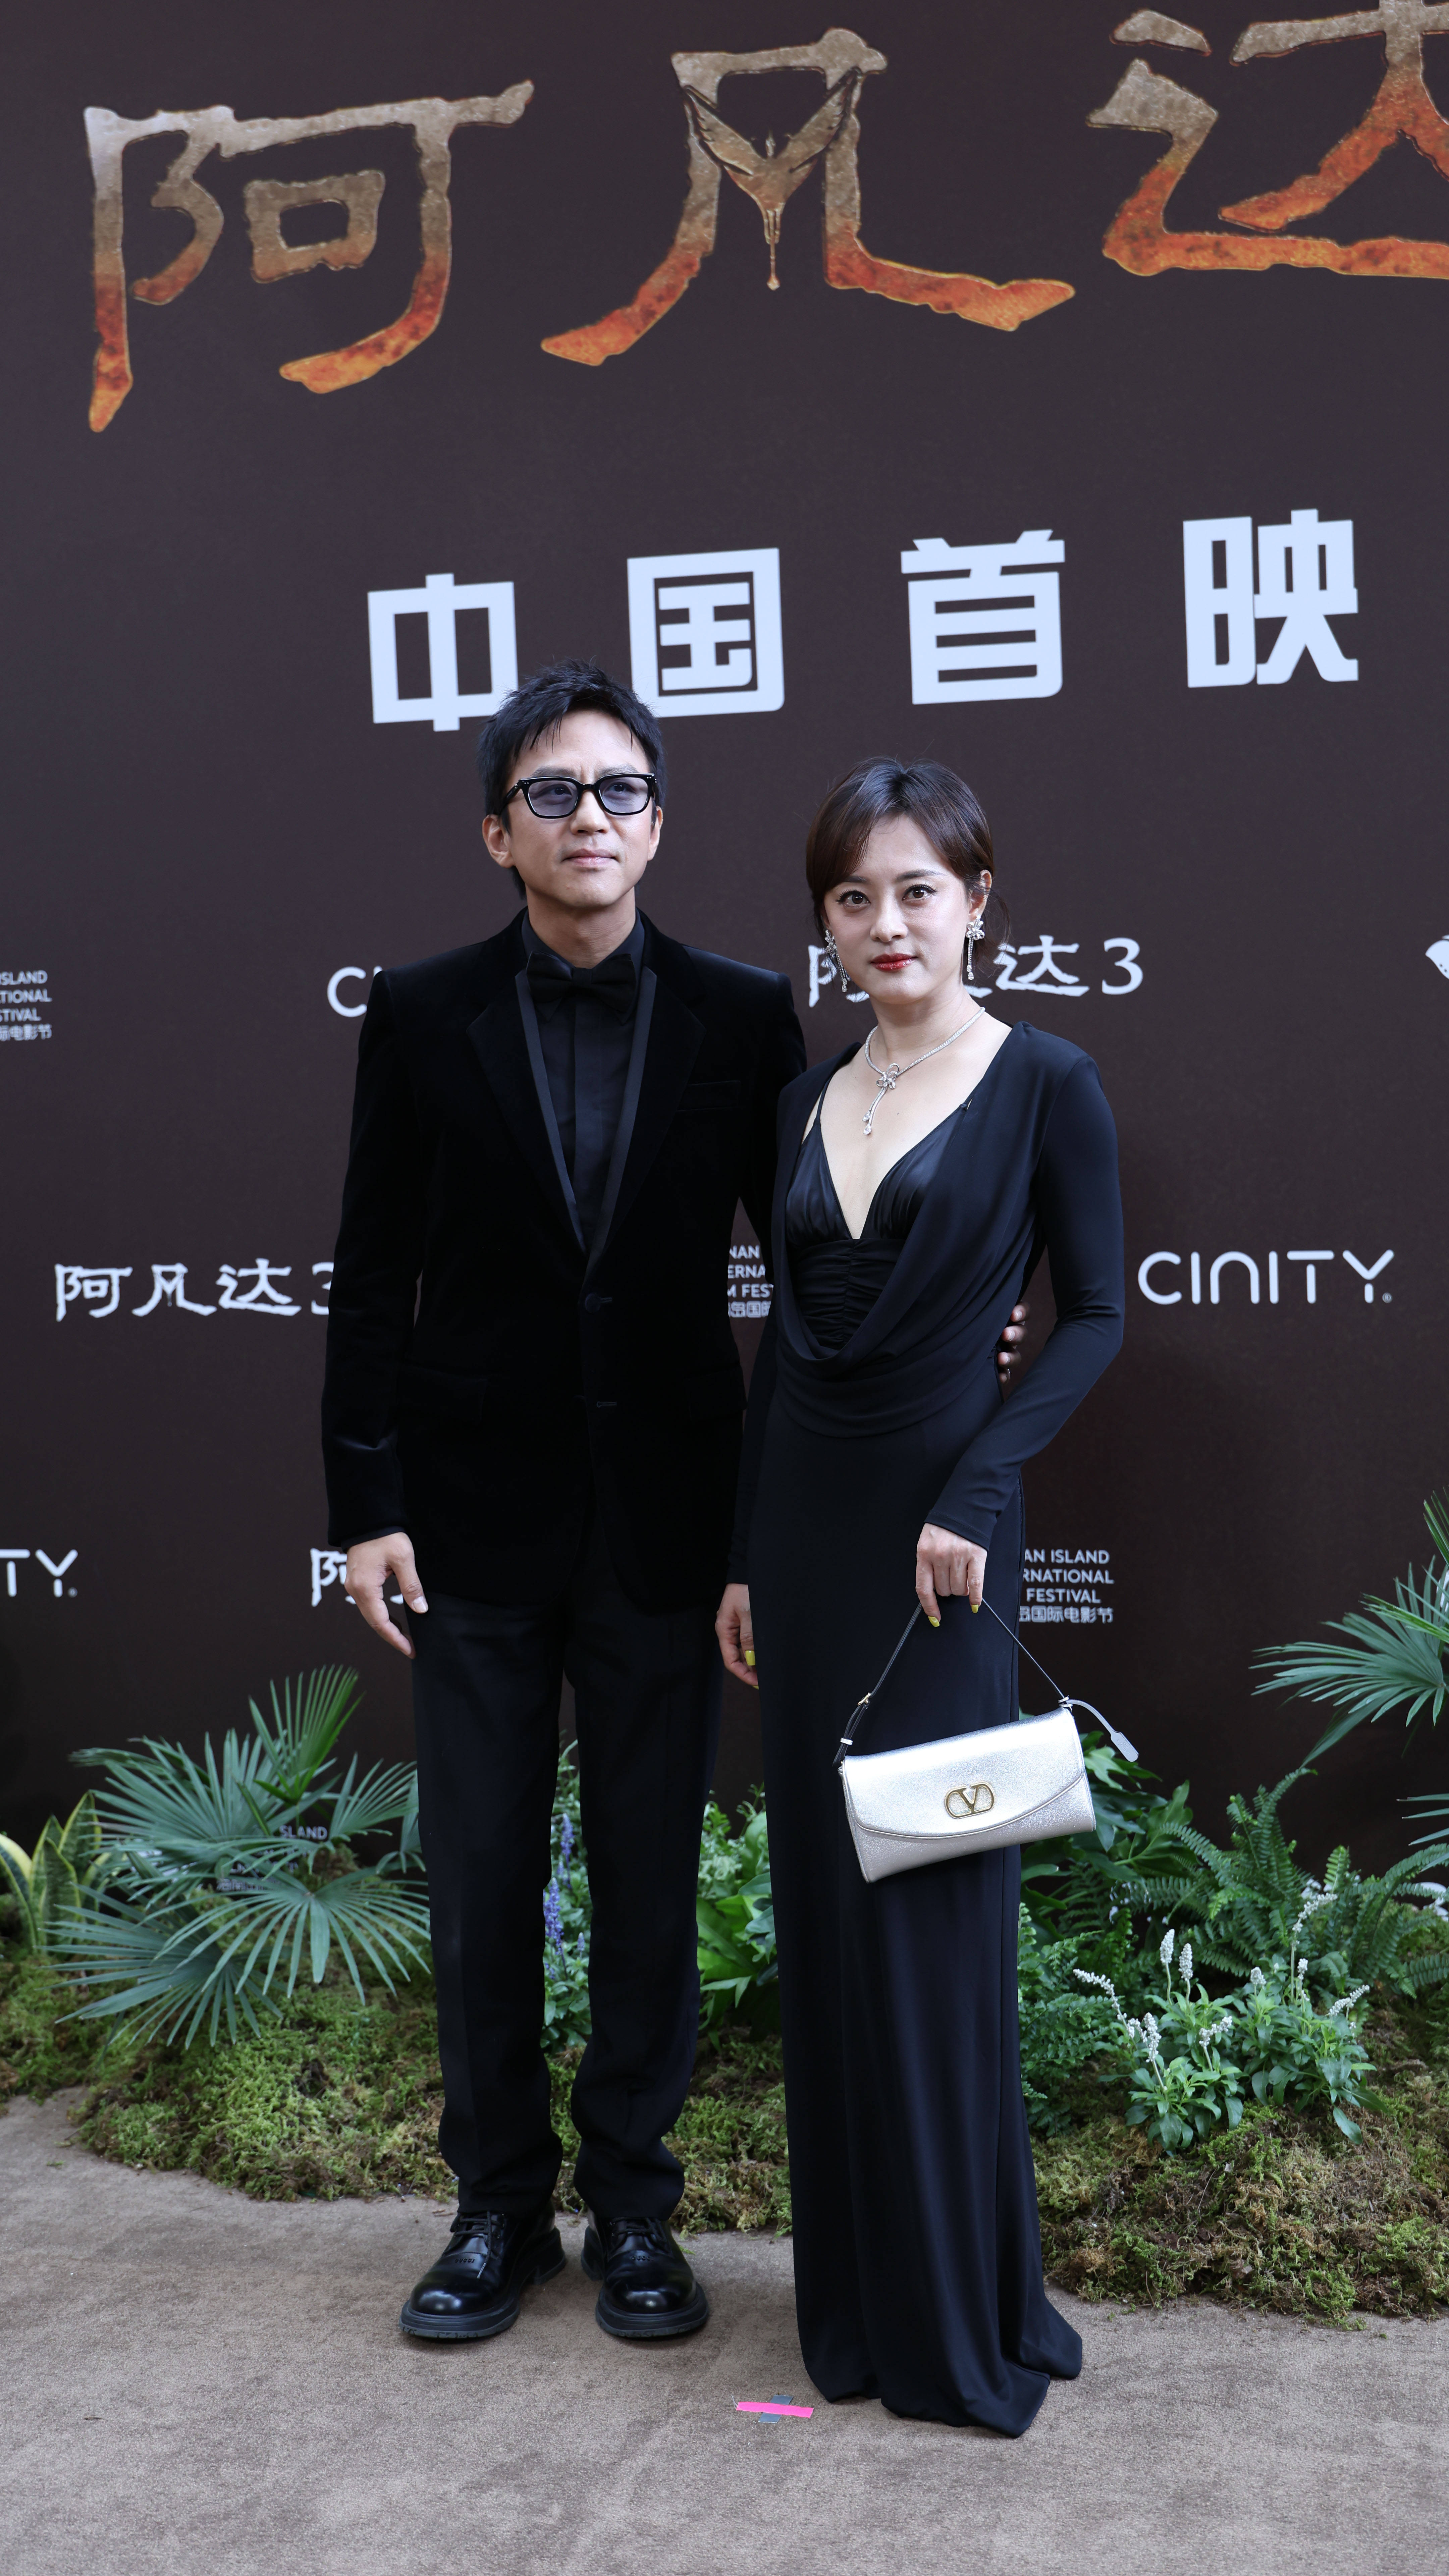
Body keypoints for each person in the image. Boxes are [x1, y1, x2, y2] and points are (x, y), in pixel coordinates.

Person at [321, 660, 807, 2344]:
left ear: (658, 823)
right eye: (551, 792)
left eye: (618, 790)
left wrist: (959, 1333)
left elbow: (809, 1269)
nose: (587, 817)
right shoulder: (420, 1011)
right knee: (478, 1875)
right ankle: (498, 2212)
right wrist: (365, 1499)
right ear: (497, 832)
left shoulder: (746, 1014)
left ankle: (639, 2213)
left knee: (652, 1880)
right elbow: (370, 1271)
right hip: (470, 1519)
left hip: (672, 1520)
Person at [716, 758, 1124, 2435]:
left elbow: (1095, 1317)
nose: (887, 923)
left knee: (935, 1903)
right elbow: (784, 1350)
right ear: (827, 922)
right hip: (809, 1541)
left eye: (917, 891)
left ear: (978, 902)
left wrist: (978, 1486)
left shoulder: (1047, 1081)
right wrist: (743, 1553)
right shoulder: (807, 1098)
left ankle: (963, 2312)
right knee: (828, 1905)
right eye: (853, 898)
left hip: (943, 1545)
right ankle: (865, 2309)